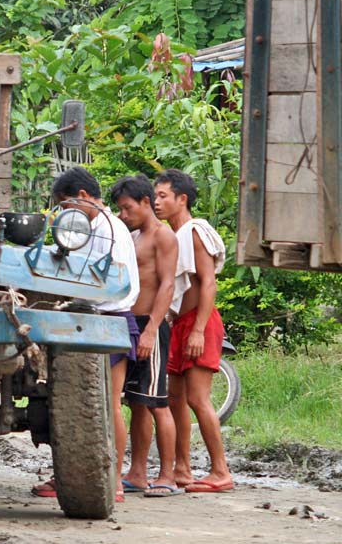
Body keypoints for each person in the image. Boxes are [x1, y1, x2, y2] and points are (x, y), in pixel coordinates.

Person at [31, 166, 140, 503]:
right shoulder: (91, 228)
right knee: (75, 405)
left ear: (81, 197)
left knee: (107, 406)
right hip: (90, 319)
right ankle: (76, 472)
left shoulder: (109, 229)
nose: (64, 215)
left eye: (64, 207)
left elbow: (103, 283)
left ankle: (114, 479)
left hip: (108, 320)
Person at [153, 169, 233, 493]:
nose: (157, 202)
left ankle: (221, 471)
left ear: (181, 199)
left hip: (201, 322)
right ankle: (182, 469)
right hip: (180, 325)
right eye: (155, 196)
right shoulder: (171, 236)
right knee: (175, 399)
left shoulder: (196, 231)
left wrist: (198, 329)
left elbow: (208, 282)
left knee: (199, 399)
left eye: (163, 196)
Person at [110, 175, 181, 497]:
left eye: (127, 208)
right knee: (136, 403)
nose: (124, 215)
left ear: (144, 202)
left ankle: (168, 474)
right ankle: (137, 473)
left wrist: (151, 329)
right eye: (120, 210)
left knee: (156, 403)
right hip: (130, 322)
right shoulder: (133, 236)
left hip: (149, 325)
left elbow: (167, 284)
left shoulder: (163, 236)